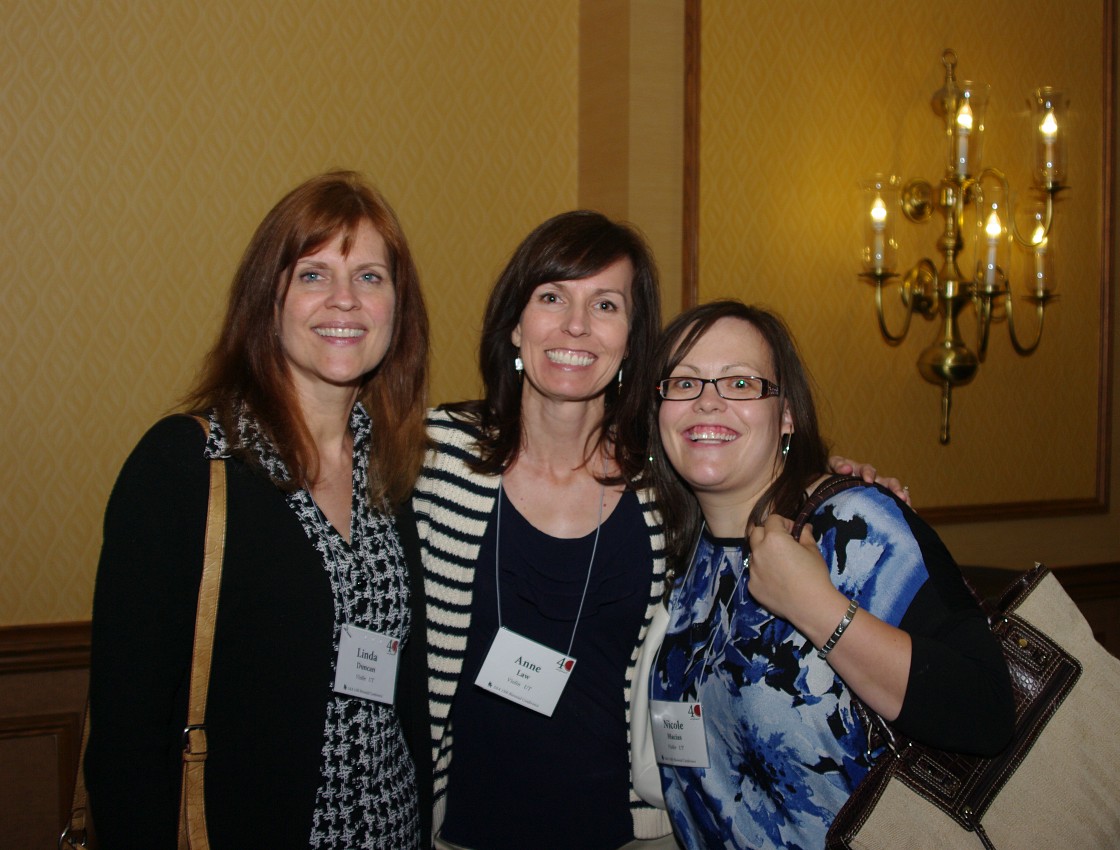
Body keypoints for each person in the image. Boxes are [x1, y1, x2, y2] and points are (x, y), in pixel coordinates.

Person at [411, 213, 902, 850]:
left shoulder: (666, 482)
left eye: (605, 304)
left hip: (629, 832)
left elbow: (756, 481)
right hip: (460, 831)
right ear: (515, 322)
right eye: (552, 296)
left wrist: (837, 483)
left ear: (631, 340)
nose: (576, 325)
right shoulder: (434, 455)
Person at [86, 171, 432, 848]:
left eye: (369, 277)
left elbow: (404, 698)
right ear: (265, 300)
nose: (344, 300)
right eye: (312, 275)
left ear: (398, 307)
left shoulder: (395, 477)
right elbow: (126, 735)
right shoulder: (184, 469)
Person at [645, 300, 1015, 850]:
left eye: (742, 383)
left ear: (786, 415)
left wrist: (816, 606)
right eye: (684, 383)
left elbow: (986, 711)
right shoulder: (692, 550)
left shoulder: (854, 524)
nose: (708, 403)